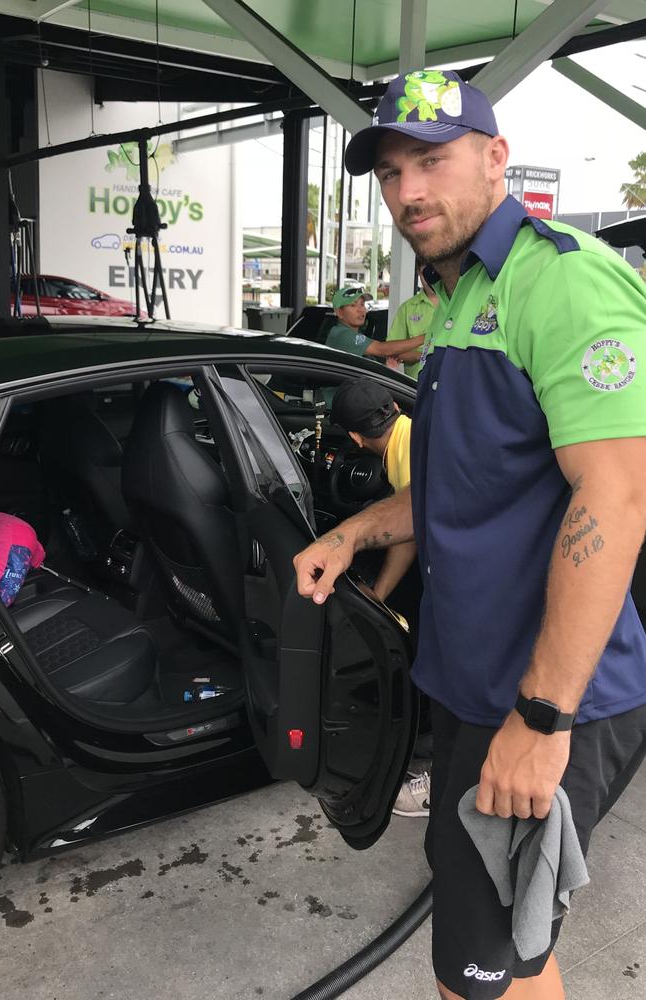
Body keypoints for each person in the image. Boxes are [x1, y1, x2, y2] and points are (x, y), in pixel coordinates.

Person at [293, 67, 646, 1000]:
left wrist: (540, 721)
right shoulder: (455, 299)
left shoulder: (560, 281)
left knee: (475, 975)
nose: (409, 191)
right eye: (391, 171)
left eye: (433, 160)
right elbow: (464, 481)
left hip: (546, 700)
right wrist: (357, 533)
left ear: (496, 159)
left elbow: (615, 498)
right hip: (473, 686)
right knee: (507, 952)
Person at [331, 377, 431, 818]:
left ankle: (435, 761)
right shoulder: (414, 428)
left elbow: (408, 533)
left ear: (355, 437)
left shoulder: (408, 457)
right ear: (394, 405)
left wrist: (376, 596)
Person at [325, 285, 425, 363]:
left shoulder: (356, 335)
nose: (361, 310)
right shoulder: (341, 334)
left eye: (362, 304)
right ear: (339, 312)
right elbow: (382, 349)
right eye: (353, 305)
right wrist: (425, 338)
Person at [386, 256, 439, 378]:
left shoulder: (458, 303)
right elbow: (392, 350)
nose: (433, 276)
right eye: (427, 270)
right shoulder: (408, 308)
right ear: (419, 272)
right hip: (416, 387)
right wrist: (421, 355)